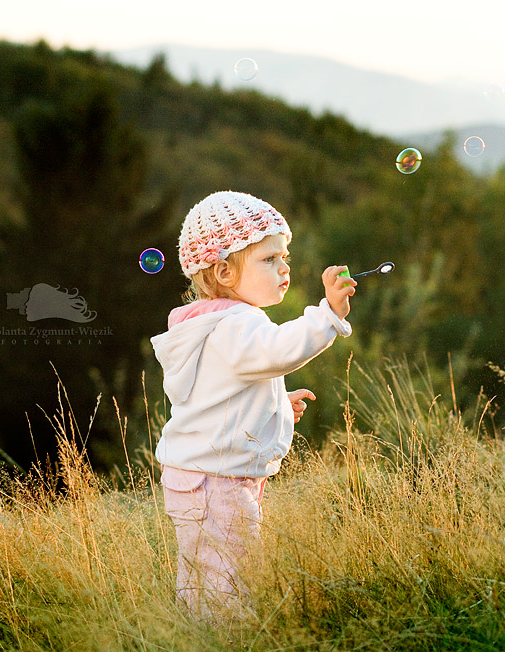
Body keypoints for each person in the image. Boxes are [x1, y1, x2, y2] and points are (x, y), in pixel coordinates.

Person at [150, 190, 356, 619]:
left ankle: (195, 633)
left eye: (285, 257)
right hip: (217, 482)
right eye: (269, 259)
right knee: (229, 580)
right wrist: (328, 315)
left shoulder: (208, 322)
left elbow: (222, 392)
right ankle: (227, 638)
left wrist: (274, 402)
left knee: (207, 572)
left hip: (202, 476)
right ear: (224, 271)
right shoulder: (235, 323)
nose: (284, 268)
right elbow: (279, 350)